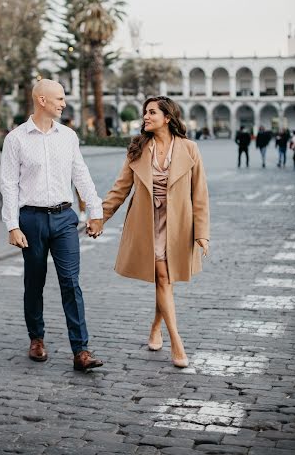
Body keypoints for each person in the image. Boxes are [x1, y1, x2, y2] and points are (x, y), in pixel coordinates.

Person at [88, 96, 209, 368]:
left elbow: (199, 193)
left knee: (165, 280)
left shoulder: (190, 149)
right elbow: (120, 189)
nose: (146, 116)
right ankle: (177, 343)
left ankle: (156, 326)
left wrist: (202, 232)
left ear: (168, 118)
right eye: (145, 112)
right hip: (148, 223)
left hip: (178, 223)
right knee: (163, 277)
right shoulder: (138, 149)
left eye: (152, 112)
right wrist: (100, 218)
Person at [0, 79, 104, 371]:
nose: (63, 103)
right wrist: (12, 225)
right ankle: (36, 338)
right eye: (58, 98)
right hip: (30, 220)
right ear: (41, 100)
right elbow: (8, 185)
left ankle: (81, 350)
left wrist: (95, 211)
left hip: (64, 219)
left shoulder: (68, 137)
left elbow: (80, 174)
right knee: (34, 282)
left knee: (71, 283)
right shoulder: (16, 139)